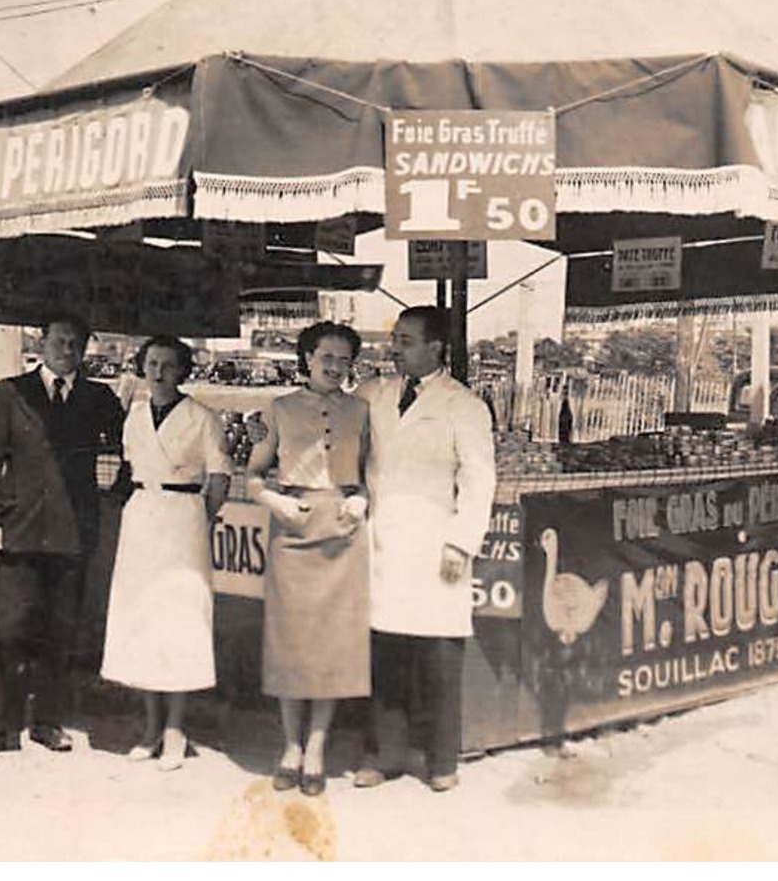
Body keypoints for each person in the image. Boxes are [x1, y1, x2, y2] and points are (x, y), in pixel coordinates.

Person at [0, 312, 125, 761]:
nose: (67, 349)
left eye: (76, 342)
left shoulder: (98, 397)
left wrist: (118, 490)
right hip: (17, 532)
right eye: (59, 340)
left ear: (86, 347)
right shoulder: (10, 393)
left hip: (72, 536)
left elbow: (126, 447)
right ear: (42, 342)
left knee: (60, 632)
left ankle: (48, 722)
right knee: (8, 629)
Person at [352, 306, 496, 793]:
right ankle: (382, 754)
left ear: (437, 348)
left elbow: (479, 479)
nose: (395, 348)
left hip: (436, 542)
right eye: (394, 339)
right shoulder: (374, 394)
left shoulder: (465, 405)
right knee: (385, 652)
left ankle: (440, 761)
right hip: (383, 539)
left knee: (437, 658)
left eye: (407, 340)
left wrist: (461, 541)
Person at [244, 321, 371, 797]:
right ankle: (290, 747)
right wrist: (273, 501)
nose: (335, 367)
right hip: (293, 529)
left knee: (331, 646)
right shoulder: (278, 409)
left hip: (342, 531)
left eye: (343, 359)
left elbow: (372, 472)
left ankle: (316, 748)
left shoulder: (362, 410)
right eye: (326, 358)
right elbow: (254, 475)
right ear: (307, 358)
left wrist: (361, 499)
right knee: (291, 644)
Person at [100, 335, 231, 771]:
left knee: (178, 621)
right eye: (152, 363)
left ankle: (176, 730)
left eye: (168, 364)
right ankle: (150, 727)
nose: (158, 371)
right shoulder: (133, 416)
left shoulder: (202, 417)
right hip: (141, 519)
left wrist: (199, 517)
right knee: (141, 620)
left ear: (182, 371)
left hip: (184, 521)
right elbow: (128, 468)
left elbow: (219, 477)